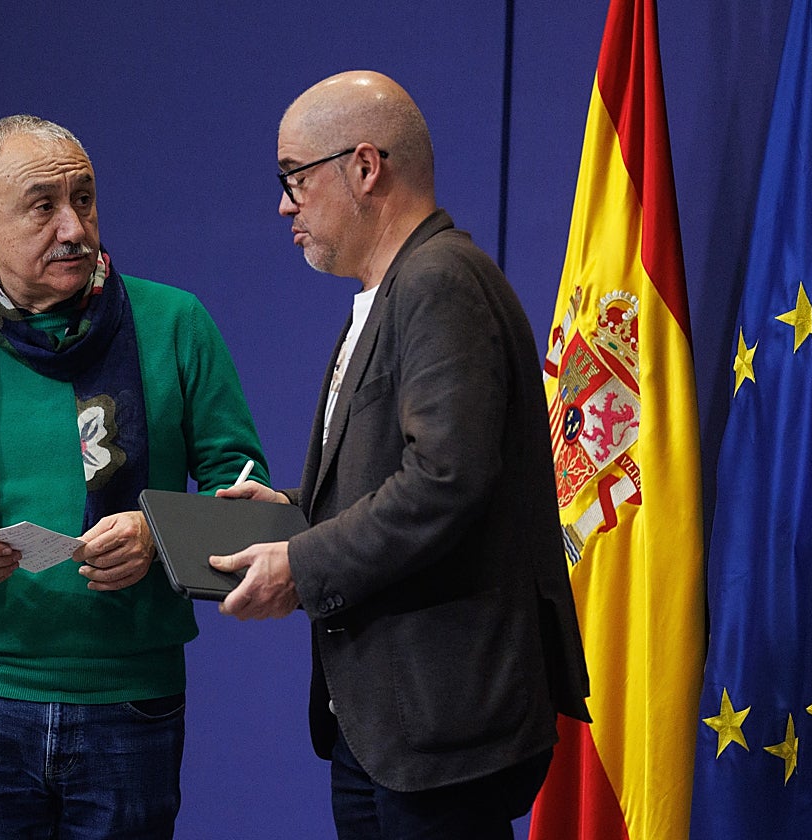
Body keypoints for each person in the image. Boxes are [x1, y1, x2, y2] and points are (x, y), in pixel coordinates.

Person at [0, 114, 268, 839]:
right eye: (43, 206)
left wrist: (159, 534)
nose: (74, 228)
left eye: (85, 199)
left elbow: (251, 506)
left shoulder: (175, 324)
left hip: (131, 701)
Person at [210, 71, 590, 839]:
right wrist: (296, 513)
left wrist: (302, 563)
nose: (285, 204)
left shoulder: (438, 281)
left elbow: (447, 480)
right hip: (384, 725)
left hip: (441, 724)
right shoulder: (395, 290)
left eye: (294, 177)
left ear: (364, 167)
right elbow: (403, 472)